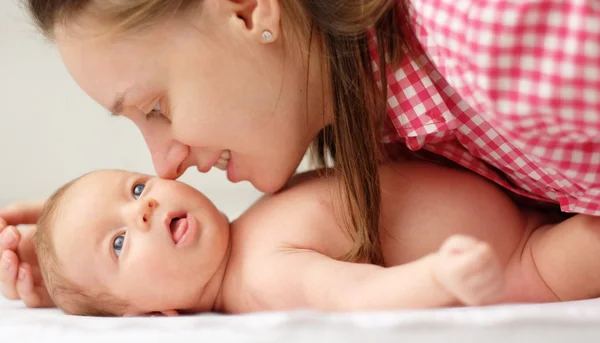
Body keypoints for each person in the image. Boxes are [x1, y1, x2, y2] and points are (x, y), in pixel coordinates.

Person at [1, 0, 599, 307]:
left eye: (156, 107)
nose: (163, 167)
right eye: (120, 241)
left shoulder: (493, 32)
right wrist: (77, 277)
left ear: (246, 10)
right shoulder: (381, 113)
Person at [29, 163, 600, 316]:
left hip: (517, 194)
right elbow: (352, 294)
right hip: (521, 262)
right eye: (119, 244)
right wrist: (436, 277)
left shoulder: (247, 230)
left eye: (133, 188)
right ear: (158, 315)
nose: (145, 209)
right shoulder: (261, 275)